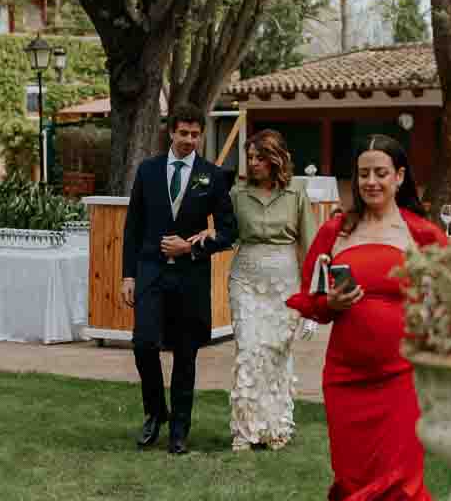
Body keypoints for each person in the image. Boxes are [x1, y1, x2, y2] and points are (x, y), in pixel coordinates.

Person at [288, 136, 447, 501]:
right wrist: (329, 306)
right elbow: (309, 298)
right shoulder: (337, 231)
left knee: (399, 484)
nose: (371, 181)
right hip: (346, 378)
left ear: (400, 176)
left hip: (402, 376)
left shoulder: (422, 234)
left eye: (381, 172)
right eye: (363, 173)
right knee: (359, 482)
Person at [121, 105, 238, 456]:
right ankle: (156, 412)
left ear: (200, 135)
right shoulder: (148, 170)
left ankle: (179, 432)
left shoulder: (213, 176)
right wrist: (128, 274)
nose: (189, 139)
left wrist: (192, 246)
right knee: (143, 344)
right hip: (151, 273)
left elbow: (229, 232)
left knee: (186, 355)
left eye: (195, 134)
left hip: (190, 277)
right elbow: (133, 227)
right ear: (171, 132)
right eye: (183, 133)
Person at [227, 130, 317, 453]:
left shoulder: (297, 192)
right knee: (249, 351)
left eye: (259, 157)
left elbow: (311, 246)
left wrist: (311, 303)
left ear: (274, 158)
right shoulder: (237, 193)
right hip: (245, 280)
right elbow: (225, 232)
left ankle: (276, 428)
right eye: (249, 157)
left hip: (284, 283)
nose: (252, 163)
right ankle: (245, 430)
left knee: (276, 355)